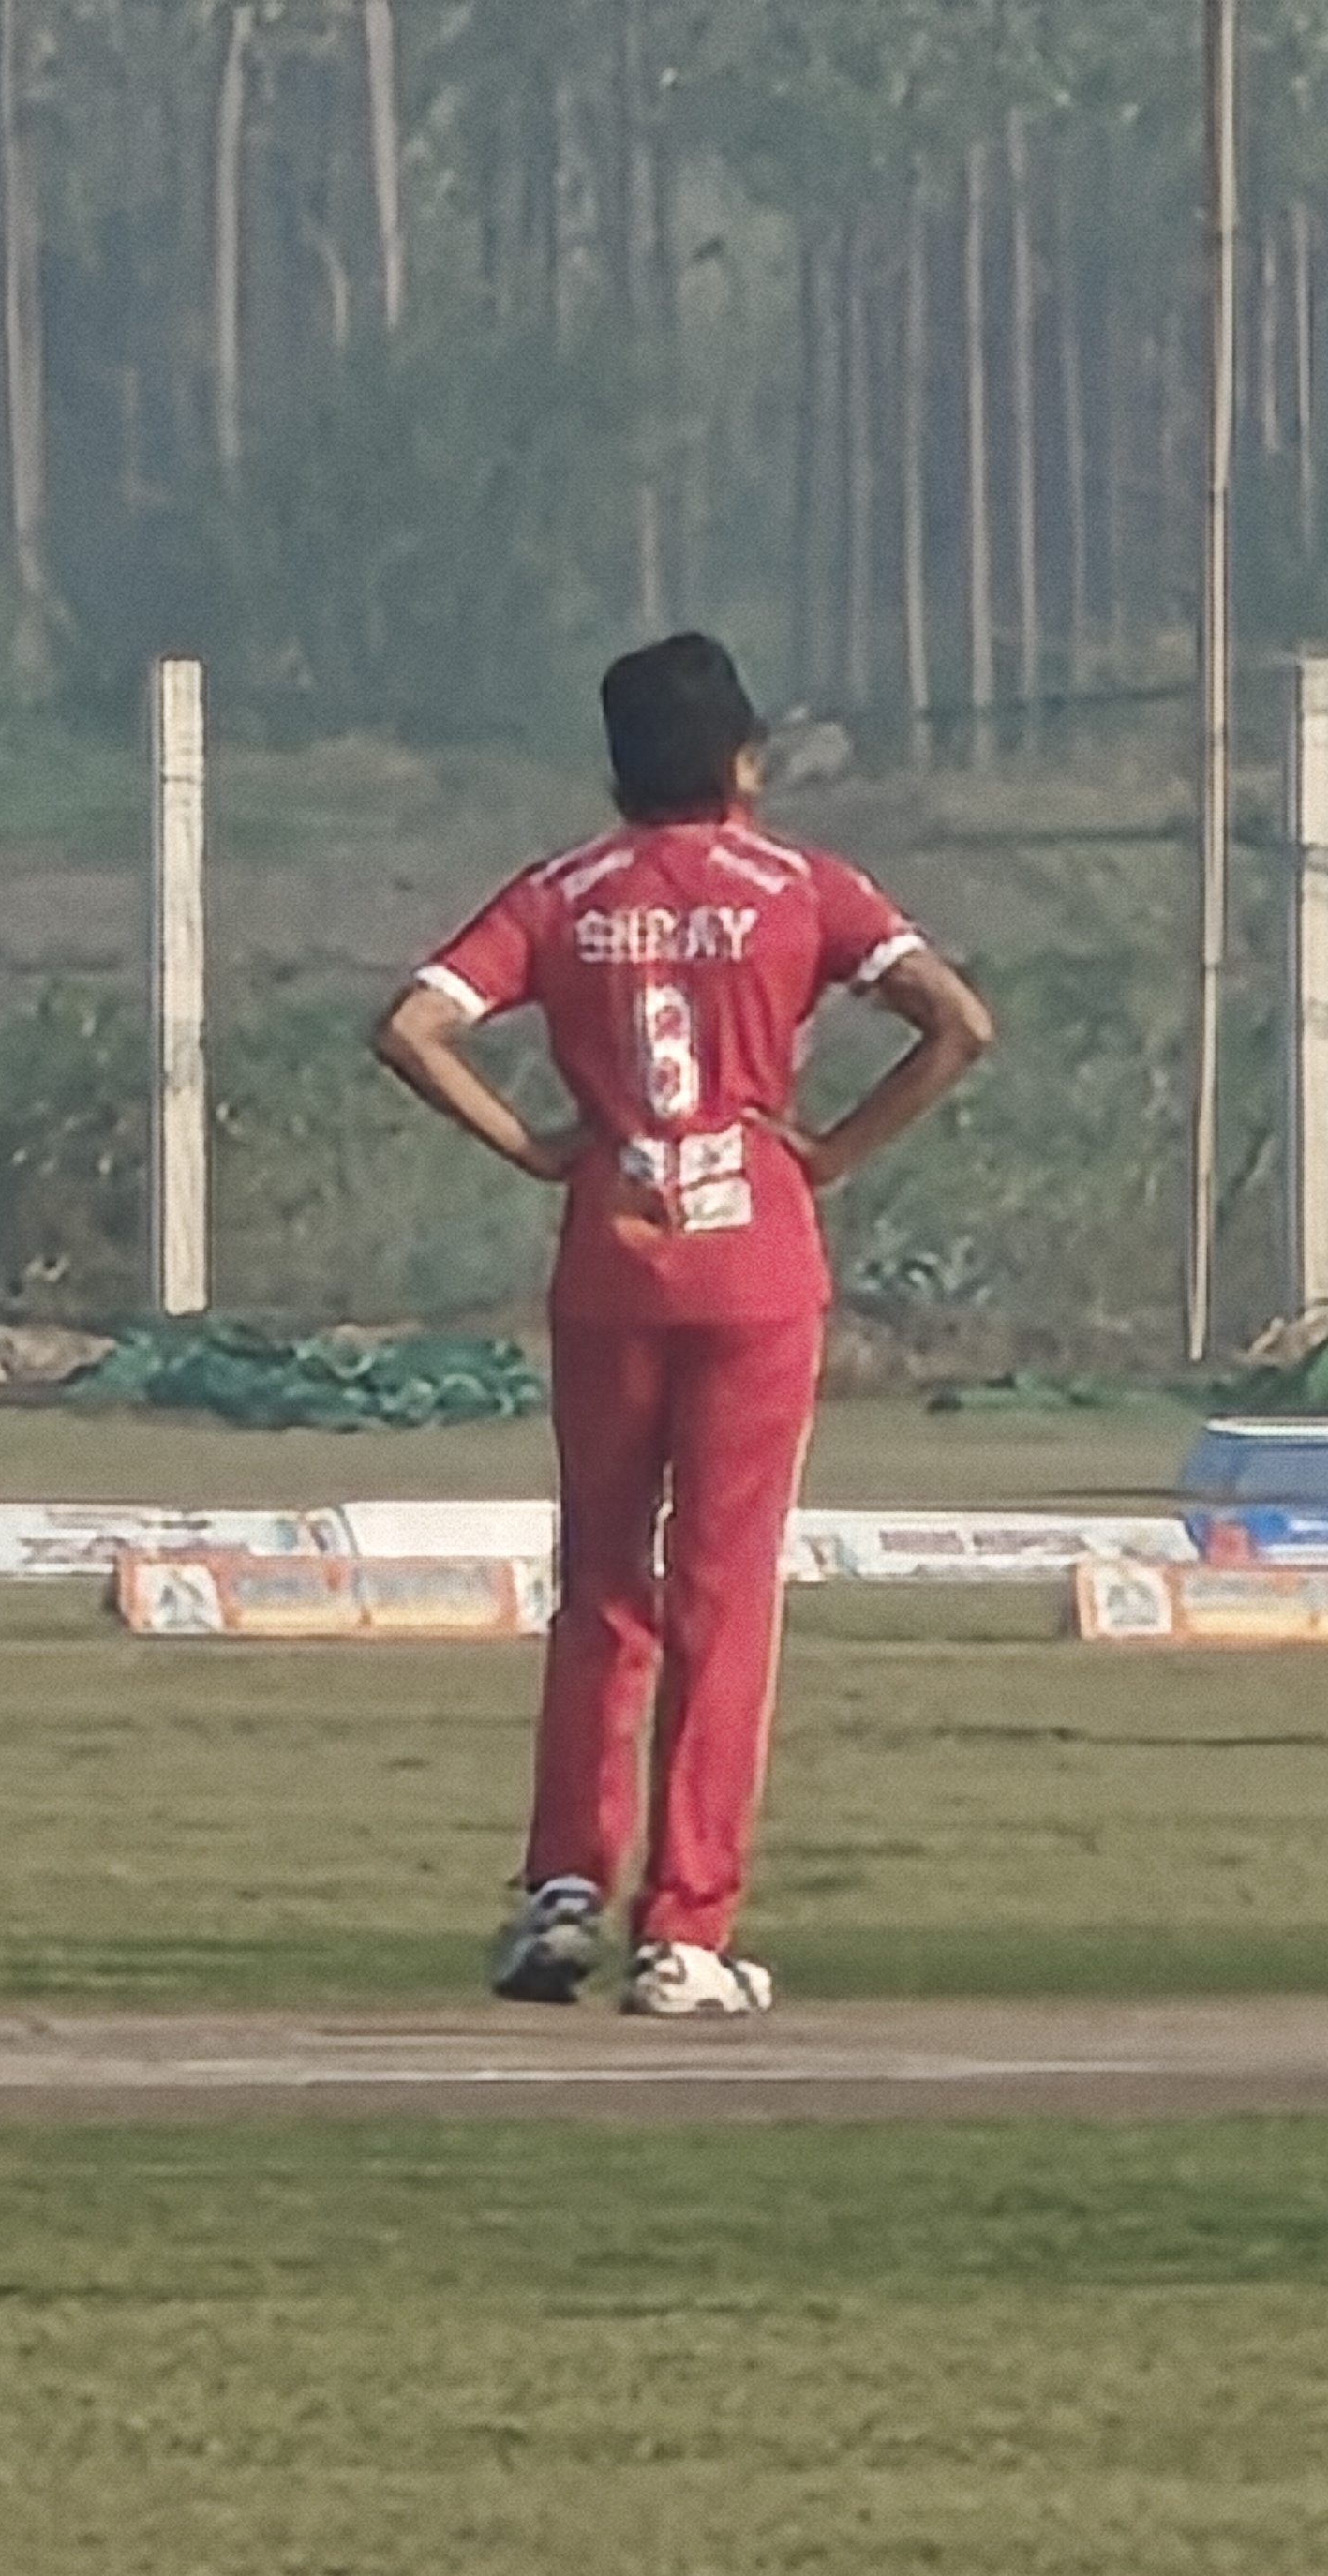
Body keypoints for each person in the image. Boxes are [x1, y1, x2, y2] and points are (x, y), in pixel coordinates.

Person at [372, 633, 993, 2017]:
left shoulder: (562, 892)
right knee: (726, 1593)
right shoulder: (803, 888)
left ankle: (563, 1890)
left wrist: (534, 1146)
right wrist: (832, 1151)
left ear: (616, 772)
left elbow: (412, 1027)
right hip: (755, 1257)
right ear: (745, 763)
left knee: (603, 1582)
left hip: (611, 1254)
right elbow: (957, 1024)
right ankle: (686, 1930)